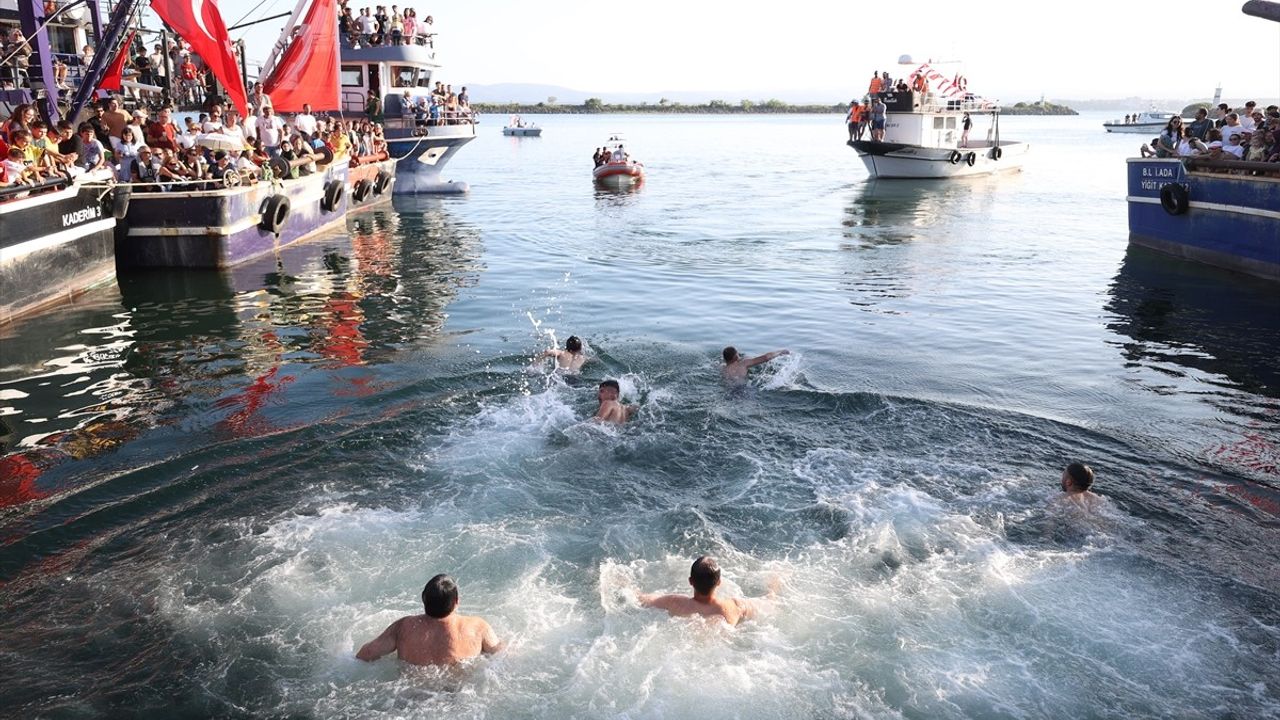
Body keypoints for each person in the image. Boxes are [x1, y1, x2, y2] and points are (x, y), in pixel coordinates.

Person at [356, 574, 503, 666]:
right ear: (456, 601)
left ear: (423, 599)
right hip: (458, 698)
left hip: (410, 697)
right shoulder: (477, 626)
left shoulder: (403, 627)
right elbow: (498, 654)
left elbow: (366, 654)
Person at [639, 556, 777, 627]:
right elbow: (769, 603)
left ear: (690, 581)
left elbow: (641, 599)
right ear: (719, 582)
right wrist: (773, 587)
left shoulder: (675, 602)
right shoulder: (734, 607)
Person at [721, 346, 789, 384]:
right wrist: (781, 352)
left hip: (729, 391)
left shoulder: (722, 367)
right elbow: (766, 357)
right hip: (743, 391)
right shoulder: (743, 363)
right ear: (735, 356)